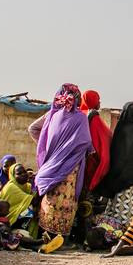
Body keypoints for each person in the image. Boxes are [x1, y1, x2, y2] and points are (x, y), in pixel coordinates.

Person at [34, 84, 94, 243]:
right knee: (66, 201)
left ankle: (45, 235)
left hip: (51, 164)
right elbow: (85, 141)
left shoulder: (52, 116)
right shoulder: (80, 117)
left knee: (51, 198)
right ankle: (63, 239)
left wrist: (46, 150)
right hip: (70, 166)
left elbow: (35, 130)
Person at [94, 101, 133, 225]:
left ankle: (114, 226)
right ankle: (130, 227)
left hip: (119, 175)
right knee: (132, 202)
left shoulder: (119, 129)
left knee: (118, 202)